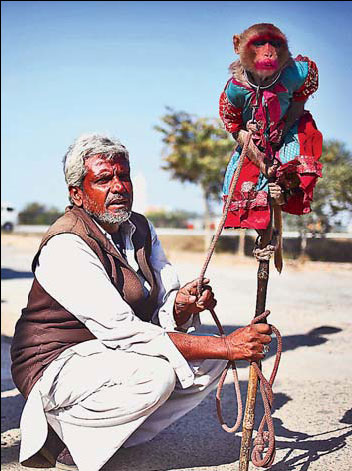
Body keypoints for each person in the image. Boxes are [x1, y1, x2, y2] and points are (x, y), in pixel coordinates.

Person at [11, 133, 272, 471]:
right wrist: (224, 344)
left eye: (124, 176)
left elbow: (165, 300)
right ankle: (64, 435)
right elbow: (124, 331)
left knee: (209, 363)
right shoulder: (66, 243)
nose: (118, 187)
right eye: (104, 179)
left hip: (107, 354)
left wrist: (181, 305)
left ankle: (109, 437)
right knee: (158, 374)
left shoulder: (140, 228)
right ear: (77, 194)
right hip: (55, 363)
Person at [219, 23, 323, 231]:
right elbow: (234, 127)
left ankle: (283, 196)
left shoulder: (297, 72)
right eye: (258, 44)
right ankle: (263, 241)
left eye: (275, 44)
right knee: (247, 187)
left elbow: (300, 97)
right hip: (253, 139)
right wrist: (261, 161)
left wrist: (283, 130)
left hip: (290, 128)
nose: (268, 52)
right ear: (237, 45)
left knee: (296, 170)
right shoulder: (234, 90)